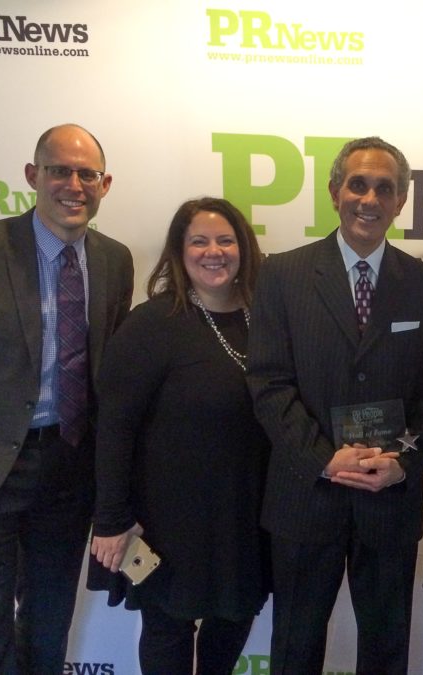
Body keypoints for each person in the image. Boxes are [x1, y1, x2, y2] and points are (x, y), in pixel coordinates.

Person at [0, 124, 134, 673]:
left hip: (67, 474)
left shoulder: (115, 261)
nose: (74, 184)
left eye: (87, 174)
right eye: (59, 170)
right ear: (31, 176)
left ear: (105, 184)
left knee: (46, 633)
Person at [247, 136, 423, 674]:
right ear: (335, 191)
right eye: (358, 184)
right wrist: (323, 458)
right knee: (295, 644)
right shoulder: (282, 275)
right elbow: (269, 385)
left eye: (385, 188)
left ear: (401, 201)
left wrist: (404, 463)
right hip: (305, 495)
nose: (370, 198)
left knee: (386, 649)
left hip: (388, 501)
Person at [89, 197, 270, 674]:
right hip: (168, 521)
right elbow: (114, 426)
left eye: (225, 240)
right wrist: (110, 518)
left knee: (234, 618)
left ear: (243, 248)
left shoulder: (268, 318)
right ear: (179, 251)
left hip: (246, 513)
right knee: (168, 630)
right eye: (199, 241)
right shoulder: (151, 325)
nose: (214, 251)